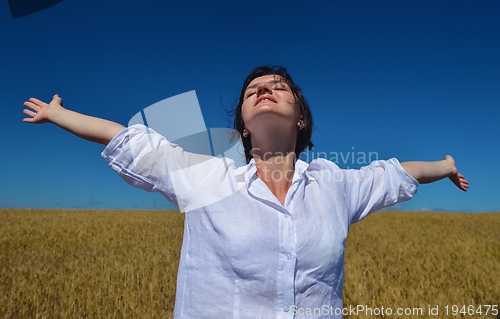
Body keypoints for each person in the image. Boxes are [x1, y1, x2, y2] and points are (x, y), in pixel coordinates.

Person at [23, 66, 468, 319]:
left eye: (279, 86)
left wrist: (445, 166)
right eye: (254, 90)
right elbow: (130, 140)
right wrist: (59, 114)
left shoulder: (335, 184)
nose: (265, 90)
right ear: (242, 124)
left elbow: (396, 174)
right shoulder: (208, 178)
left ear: (300, 119)